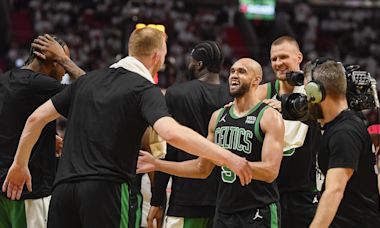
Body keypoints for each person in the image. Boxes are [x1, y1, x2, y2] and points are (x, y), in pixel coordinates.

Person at [1, 27, 252, 228]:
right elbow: (171, 132)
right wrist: (228, 156)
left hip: (63, 190)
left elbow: (35, 119)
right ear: (157, 57)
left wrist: (20, 164)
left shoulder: (87, 82)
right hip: (105, 191)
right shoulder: (143, 88)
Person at [138, 57, 285, 228]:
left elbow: (270, 171)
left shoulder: (269, 116)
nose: (234, 76)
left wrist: (229, 162)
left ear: (256, 80)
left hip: (258, 210)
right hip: (223, 211)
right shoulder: (218, 116)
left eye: (242, 72)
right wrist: (157, 164)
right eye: (232, 71)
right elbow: (202, 168)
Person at [0, 34, 84, 228]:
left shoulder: (7, 79)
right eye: (63, 62)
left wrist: (46, 137)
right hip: (27, 190)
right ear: (52, 60)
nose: (64, 71)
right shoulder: (42, 85)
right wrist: (64, 58)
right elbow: (94, 91)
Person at [147, 41, 231, 228]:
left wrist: (157, 200)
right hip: (226, 202)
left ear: (199, 64)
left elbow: (167, 150)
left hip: (186, 198)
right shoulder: (234, 97)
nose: (189, 65)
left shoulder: (176, 93)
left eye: (192, 61)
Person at [304, 59, 380, 228]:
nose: (306, 99)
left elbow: (335, 190)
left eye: (307, 92)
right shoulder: (339, 126)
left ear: (317, 93)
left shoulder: (344, 133)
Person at [255, 36, 320, 228]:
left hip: (306, 192)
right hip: (269, 192)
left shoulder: (313, 91)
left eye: (283, 57)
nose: (278, 63)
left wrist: (286, 106)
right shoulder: (263, 92)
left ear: (299, 57)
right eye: (274, 59)